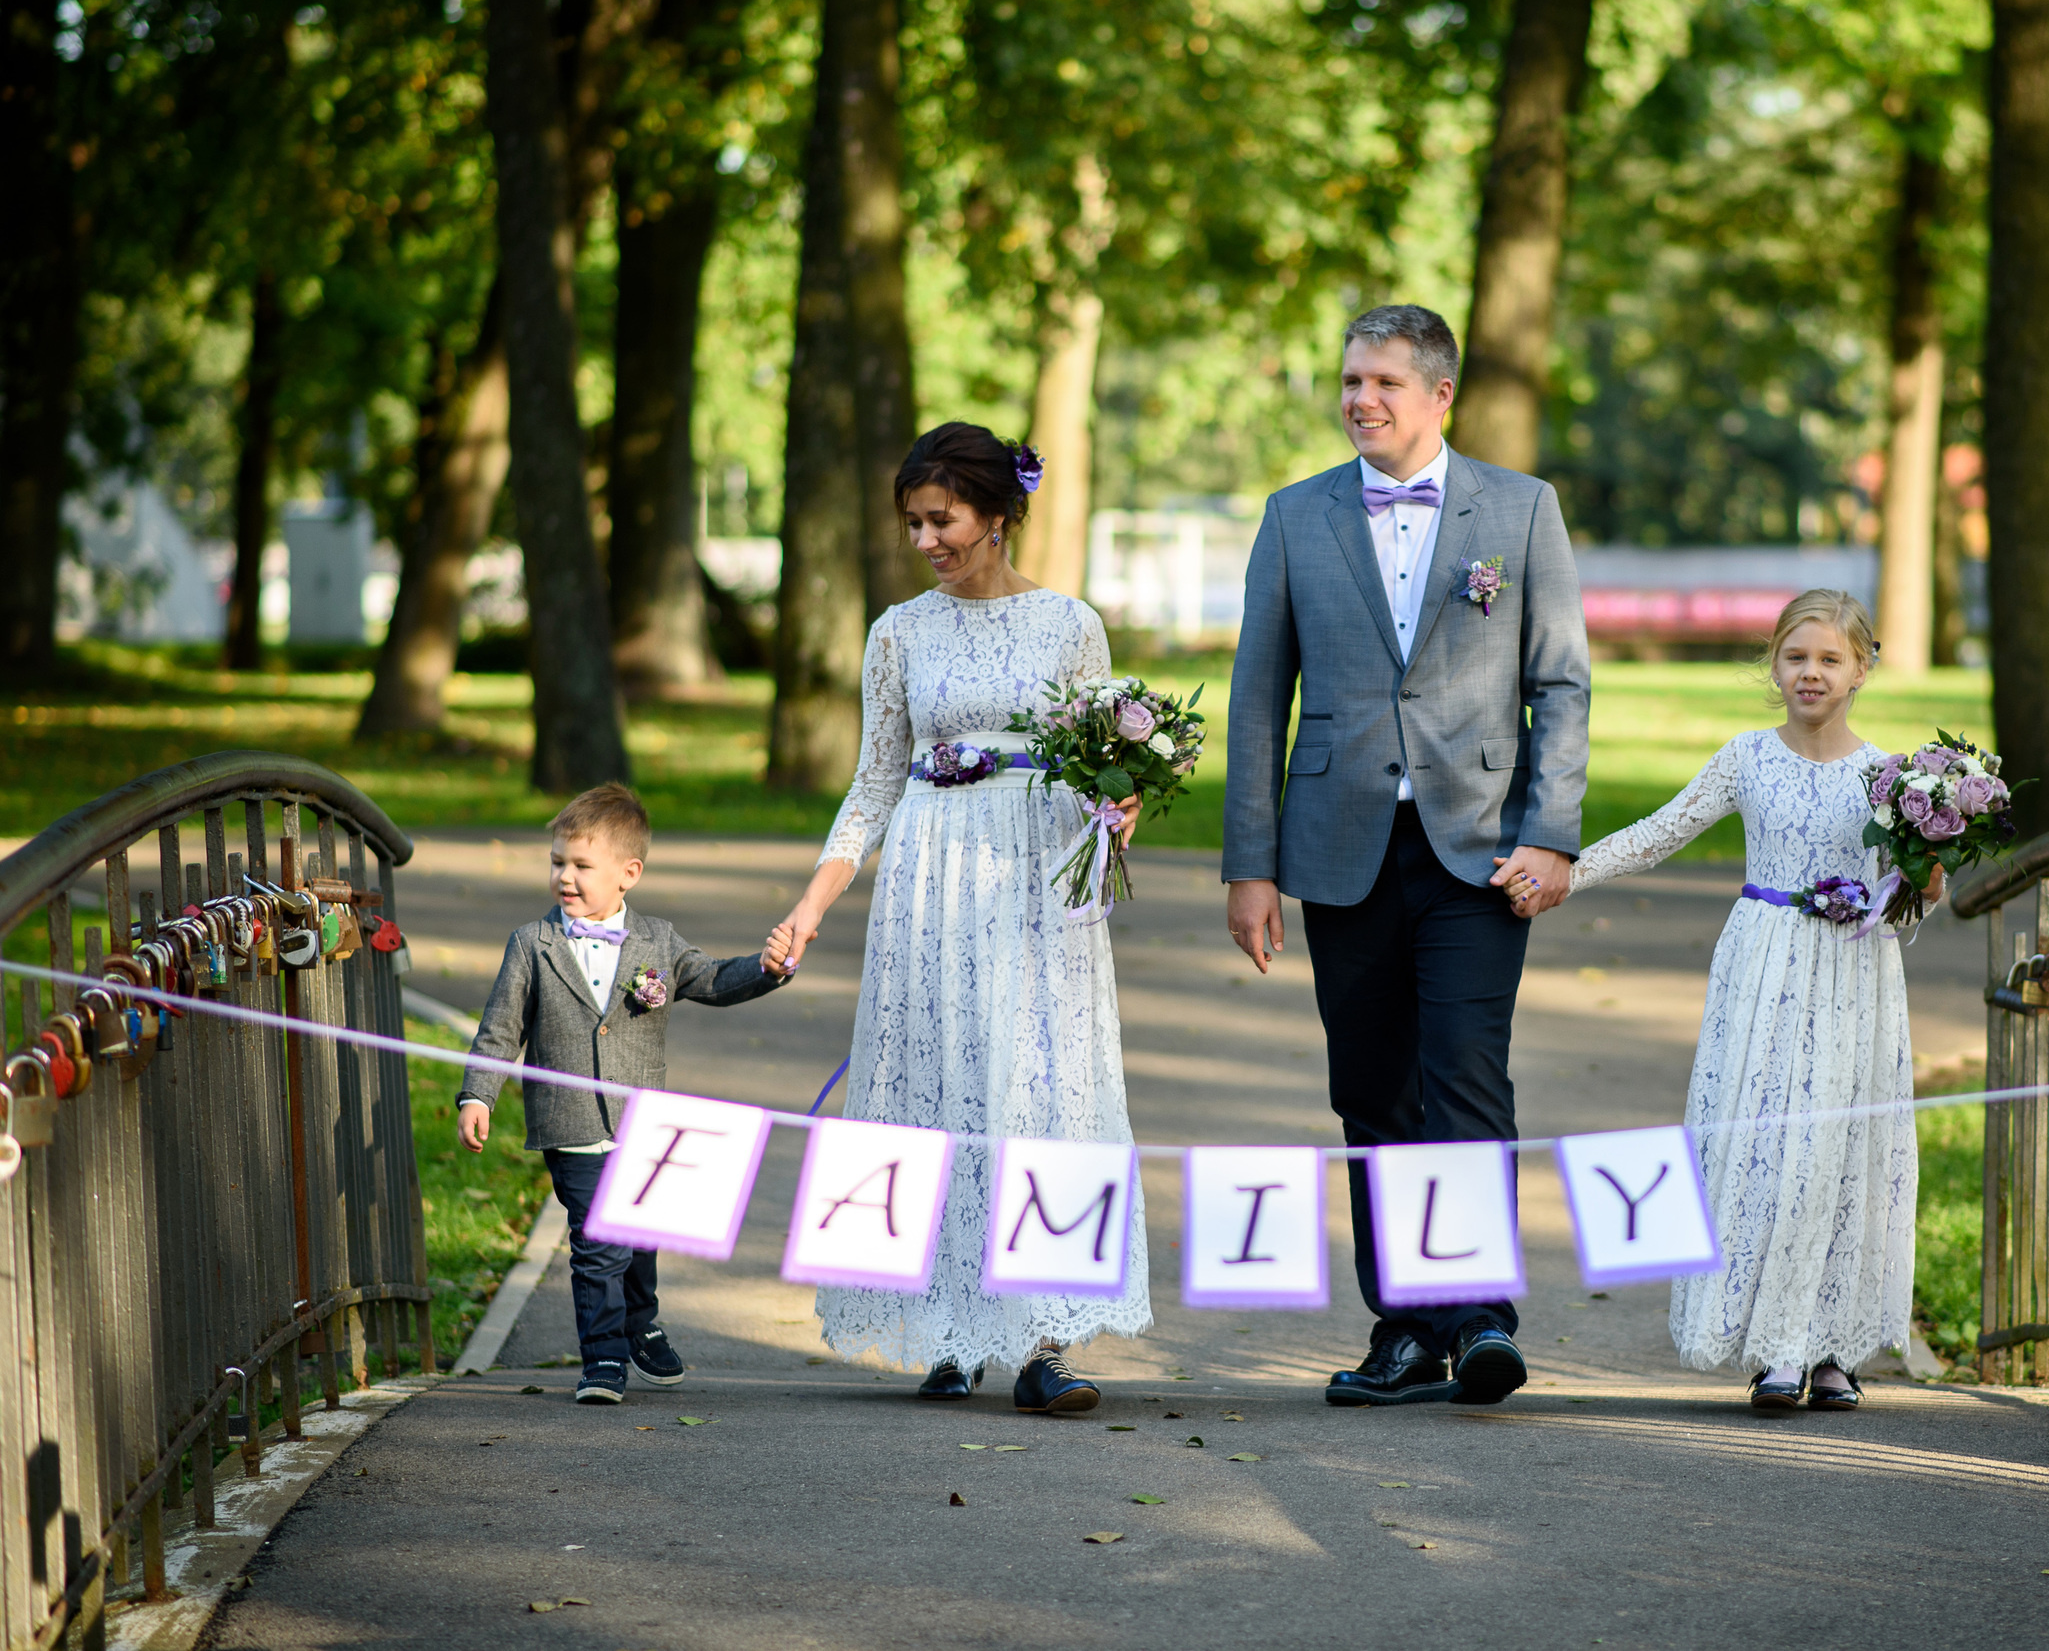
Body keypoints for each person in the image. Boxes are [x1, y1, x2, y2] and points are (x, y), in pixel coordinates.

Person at [1223, 303, 1591, 1408]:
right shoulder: (1293, 517)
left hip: (1479, 848)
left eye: (1383, 380)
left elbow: (1560, 682)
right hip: (1339, 846)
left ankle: (1476, 1313)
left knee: (1464, 1077)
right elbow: (1256, 700)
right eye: (1348, 379)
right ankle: (1403, 1327)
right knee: (1371, 1088)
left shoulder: (1521, 510)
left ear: (1441, 394)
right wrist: (1250, 863)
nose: (1359, 399)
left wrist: (1549, 832)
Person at [766, 421, 1148, 1417]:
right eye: (913, 522)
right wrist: (811, 903)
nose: (926, 538)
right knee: (935, 1084)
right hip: (928, 882)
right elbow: (872, 781)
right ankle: (945, 1327)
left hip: (1036, 875)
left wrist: (1122, 798)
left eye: (941, 518)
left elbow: (1098, 757)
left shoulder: (1070, 623)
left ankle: (1043, 1338)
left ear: (996, 513)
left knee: (1038, 1085)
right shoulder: (897, 630)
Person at [1561, 590, 1934, 1414]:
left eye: (1830, 659)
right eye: (1796, 657)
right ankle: (1774, 1345)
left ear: (1862, 668)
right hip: (1762, 967)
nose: (1811, 673)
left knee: (1840, 1145)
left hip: (1852, 974)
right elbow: (1661, 830)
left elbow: (1909, 899)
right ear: (1773, 662)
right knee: (1765, 1142)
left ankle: (1832, 1347)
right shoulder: (1746, 757)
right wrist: (1568, 870)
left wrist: (1930, 868)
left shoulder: (1890, 778)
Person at [459, 784, 790, 1406]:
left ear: (628, 874)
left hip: (643, 1123)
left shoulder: (657, 941)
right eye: (558, 861)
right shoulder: (533, 944)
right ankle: (604, 1358)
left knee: (639, 1235)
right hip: (572, 1121)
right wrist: (477, 1095)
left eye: (582, 866)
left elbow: (714, 979)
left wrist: (769, 969)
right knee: (598, 1241)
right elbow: (500, 1029)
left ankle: (643, 1319)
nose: (565, 876)